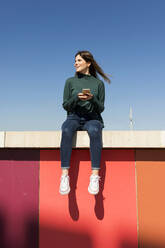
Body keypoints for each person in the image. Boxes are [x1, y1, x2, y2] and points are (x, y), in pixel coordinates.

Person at [59, 50, 111, 195]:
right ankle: (64, 175)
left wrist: (92, 98)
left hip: (92, 117)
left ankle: (94, 176)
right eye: (75, 61)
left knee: (95, 131)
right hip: (73, 117)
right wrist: (76, 97)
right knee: (66, 131)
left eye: (79, 60)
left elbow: (101, 108)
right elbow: (65, 105)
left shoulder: (98, 84)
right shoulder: (70, 81)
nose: (75, 63)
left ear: (88, 63)